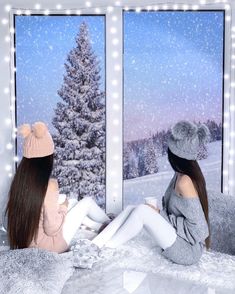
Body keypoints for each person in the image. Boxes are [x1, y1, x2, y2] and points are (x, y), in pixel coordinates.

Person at [92, 120, 210, 265]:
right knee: (133, 208)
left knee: (142, 211)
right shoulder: (179, 175)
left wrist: (159, 215)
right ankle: (100, 240)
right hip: (179, 239)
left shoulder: (185, 181)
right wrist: (159, 213)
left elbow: (199, 230)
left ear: (176, 155)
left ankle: (105, 249)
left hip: (187, 251)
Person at [5, 122, 110, 253]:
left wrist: (62, 205)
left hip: (28, 244)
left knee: (72, 202)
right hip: (49, 247)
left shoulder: (19, 184)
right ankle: (111, 223)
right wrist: (63, 207)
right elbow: (52, 228)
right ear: (47, 159)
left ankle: (99, 226)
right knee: (86, 203)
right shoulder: (48, 186)